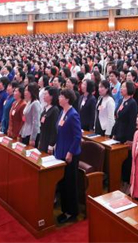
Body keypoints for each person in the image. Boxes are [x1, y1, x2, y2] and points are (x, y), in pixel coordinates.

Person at [55, 89, 82, 224]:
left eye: (61, 96)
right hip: (60, 151)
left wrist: (70, 152)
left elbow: (78, 136)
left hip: (69, 154)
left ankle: (72, 212)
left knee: (70, 184)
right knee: (62, 183)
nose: (59, 98)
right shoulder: (62, 112)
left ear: (67, 99)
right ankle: (64, 210)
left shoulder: (73, 115)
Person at [37, 86, 60, 154]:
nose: (44, 96)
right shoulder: (45, 108)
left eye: (46, 94)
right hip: (42, 138)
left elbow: (54, 129)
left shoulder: (54, 110)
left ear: (51, 97)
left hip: (48, 141)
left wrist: (51, 145)